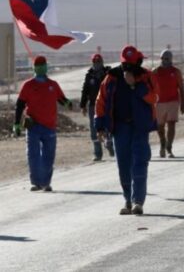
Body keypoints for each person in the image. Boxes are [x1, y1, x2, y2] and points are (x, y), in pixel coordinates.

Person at [95, 46, 158, 215]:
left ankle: (138, 201)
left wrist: (135, 86)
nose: (128, 68)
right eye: (125, 64)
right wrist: (99, 125)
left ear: (138, 61)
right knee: (123, 166)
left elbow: (154, 97)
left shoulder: (146, 76)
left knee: (139, 163)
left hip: (140, 127)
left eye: (131, 64)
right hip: (120, 127)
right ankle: (127, 200)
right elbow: (101, 101)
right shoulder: (112, 77)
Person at [14, 56, 72, 192]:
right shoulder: (28, 85)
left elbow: (61, 99)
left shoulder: (53, 85)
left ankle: (45, 182)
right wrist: (16, 124)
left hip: (49, 126)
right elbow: (20, 105)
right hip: (33, 125)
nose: (41, 67)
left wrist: (68, 103)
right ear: (34, 68)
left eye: (42, 65)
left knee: (48, 156)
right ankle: (36, 182)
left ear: (46, 66)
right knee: (33, 155)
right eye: (38, 65)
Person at [152, 50, 184, 158]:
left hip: (173, 101)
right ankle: (163, 142)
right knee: (160, 126)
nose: (165, 61)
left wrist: (183, 104)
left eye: (167, 59)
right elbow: (150, 87)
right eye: (163, 59)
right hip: (159, 102)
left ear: (171, 59)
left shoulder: (176, 72)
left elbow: (181, 88)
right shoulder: (155, 72)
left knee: (171, 124)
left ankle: (169, 147)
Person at [80, 53, 113, 161]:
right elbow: (85, 90)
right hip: (93, 106)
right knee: (94, 129)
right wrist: (83, 105)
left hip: (107, 104)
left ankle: (110, 145)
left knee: (108, 125)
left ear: (102, 62)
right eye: (95, 62)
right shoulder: (90, 75)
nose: (97, 63)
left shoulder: (108, 73)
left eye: (99, 61)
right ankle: (97, 153)